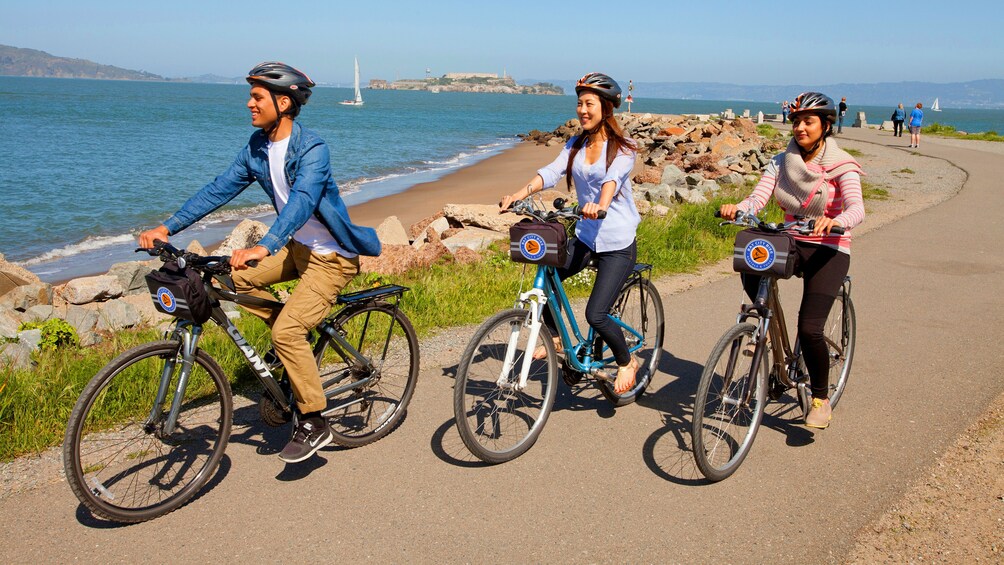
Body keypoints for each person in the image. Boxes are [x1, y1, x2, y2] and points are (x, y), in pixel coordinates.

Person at [138, 61, 381, 463]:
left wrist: (265, 245)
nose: (249, 103)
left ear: (283, 102)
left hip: (331, 257)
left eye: (257, 97)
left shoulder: (313, 149)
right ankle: (292, 345)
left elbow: (302, 201)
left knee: (286, 332)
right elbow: (219, 189)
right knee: (237, 281)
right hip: (296, 249)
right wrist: (168, 226)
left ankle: (315, 421)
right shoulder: (258, 147)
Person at [719, 92, 865, 429]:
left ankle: (820, 398)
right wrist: (739, 209)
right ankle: (764, 328)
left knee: (810, 328)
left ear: (826, 126)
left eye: (808, 122)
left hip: (830, 247)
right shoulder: (781, 161)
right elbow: (758, 198)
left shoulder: (841, 164)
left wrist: (838, 220)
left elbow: (857, 207)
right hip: (794, 241)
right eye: (796, 121)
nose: (800, 127)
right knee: (752, 256)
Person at [499, 72, 640, 394]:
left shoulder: (623, 148)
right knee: (546, 276)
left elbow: (612, 180)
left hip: (617, 242)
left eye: (589, 103)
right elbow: (551, 172)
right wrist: (518, 194)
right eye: (579, 103)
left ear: (606, 107)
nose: (582, 110)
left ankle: (626, 361)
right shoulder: (576, 143)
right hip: (588, 237)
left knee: (597, 315)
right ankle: (559, 338)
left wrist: (600, 205)